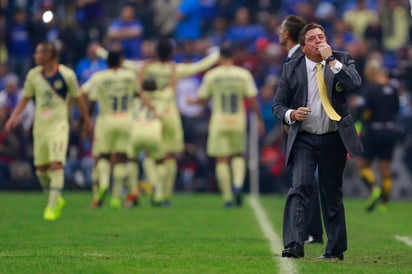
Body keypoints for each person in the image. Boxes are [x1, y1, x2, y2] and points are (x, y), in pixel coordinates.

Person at [272, 23, 363, 260]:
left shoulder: (342, 59)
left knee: (332, 193)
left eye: (321, 36)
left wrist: (331, 60)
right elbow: (277, 105)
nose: (319, 41)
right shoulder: (291, 68)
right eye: (312, 38)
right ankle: (294, 243)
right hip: (305, 137)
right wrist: (291, 114)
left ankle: (334, 250)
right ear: (303, 48)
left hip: (334, 137)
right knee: (300, 187)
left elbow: (354, 83)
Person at [5, 41, 91, 221]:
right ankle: (55, 197)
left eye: (39, 53)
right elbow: (25, 98)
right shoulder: (33, 75)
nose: (36, 56)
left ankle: (51, 206)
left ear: (50, 55)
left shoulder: (67, 75)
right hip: (40, 126)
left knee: (56, 164)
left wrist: (86, 121)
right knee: (41, 170)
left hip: (58, 125)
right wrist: (13, 117)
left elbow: (78, 99)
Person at [138, 38, 220, 206]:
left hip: (150, 114)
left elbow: (124, 64)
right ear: (171, 53)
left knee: (150, 155)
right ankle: (165, 194)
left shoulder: (145, 67)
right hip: (170, 114)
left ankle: (155, 186)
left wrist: (102, 52)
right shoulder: (176, 69)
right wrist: (216, 55)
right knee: (170, 156)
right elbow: (200, 66)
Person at [188, 45, 264, 207]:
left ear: (220, 57)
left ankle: (228, 197)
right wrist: (259, 119)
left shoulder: (212, 75)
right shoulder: (243, 74)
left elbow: (202, 100)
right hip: (238, 120)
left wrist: (191, 101)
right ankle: (237, 184)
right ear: (233, 56)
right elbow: (252, 99)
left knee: (221, 159)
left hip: (219, 121)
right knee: (238, 155)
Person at [279, 15, 324, 244]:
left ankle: (307, 230)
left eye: (281, 29)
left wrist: (291, 119)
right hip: (298, 123)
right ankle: (314, 231)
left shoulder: (300, 56)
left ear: (287, 34)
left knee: (303, 180)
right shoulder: (293, 56)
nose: (279, 32)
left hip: (308, 128)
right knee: (307, 181)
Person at [82, 49, 140, 209]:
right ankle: (115, 198)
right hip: (126, 120)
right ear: (121, 61)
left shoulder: (98, 77)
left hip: (106, 120)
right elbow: (136, 94)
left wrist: (86, 122)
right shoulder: (130, 76)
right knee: (121, 158)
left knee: (102, 157)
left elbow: (87, 97)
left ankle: (103, 185)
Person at [355, 57, 400, 212]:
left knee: (362, 165)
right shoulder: (393, 89)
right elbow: (396, 110)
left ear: (371, 72)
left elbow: (361, 111)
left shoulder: (369, 90)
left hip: (373, 131)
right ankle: (384, 204)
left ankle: (374, 188)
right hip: (390, 131)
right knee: (385, 167)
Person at [126, 78, 166, 207]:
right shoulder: (162, 99)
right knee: (159, 161)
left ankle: (133, 194)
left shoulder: (134, 100)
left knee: (132, 160)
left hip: (136, 131)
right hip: (153, 131)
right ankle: (158, 191)